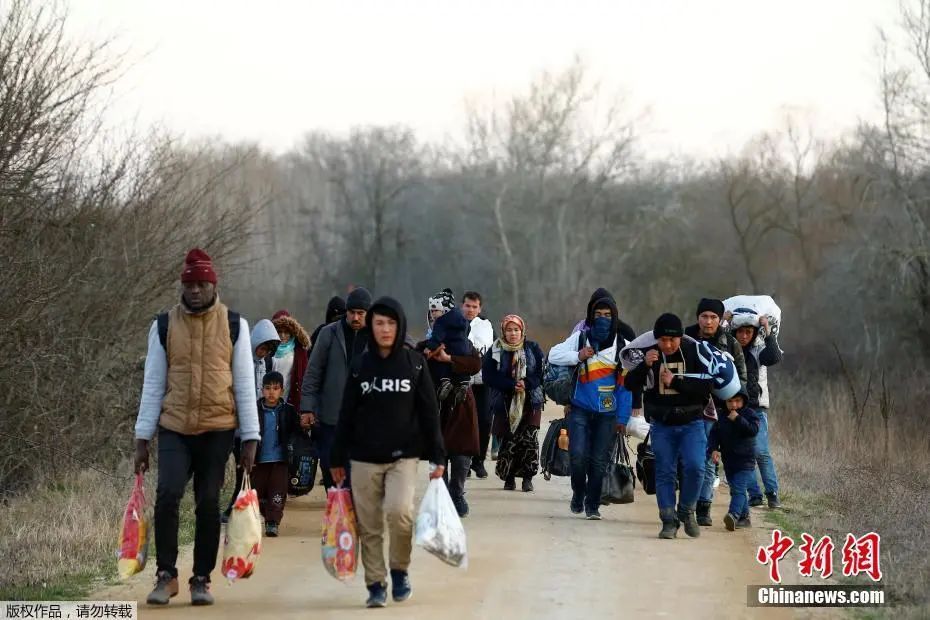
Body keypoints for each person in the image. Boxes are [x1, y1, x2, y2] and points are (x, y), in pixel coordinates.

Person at [134, 248, 259, 606]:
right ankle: (166, 575)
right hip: (175, 427)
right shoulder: (162, 326)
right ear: (182, 285)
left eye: (202, 284)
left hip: (218, 428)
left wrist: (250, 439)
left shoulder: (235, 325)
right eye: (189, 284)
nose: (195, 291)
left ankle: (201, 578)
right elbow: (153, 385)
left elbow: (246, 385)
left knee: (207, 502)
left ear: (213, 285)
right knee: (168, 493)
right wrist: (143, 439)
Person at [331, 297, 446, 608]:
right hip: (363, 458)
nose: (385, 329)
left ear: (400, 327)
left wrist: (438, 455)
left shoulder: (414, 364)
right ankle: (375, 584)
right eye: (379, 322)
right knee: (369, 526)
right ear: (371, 325)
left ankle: (399, 570)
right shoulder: (360, 366)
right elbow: (346, 414)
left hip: (403, 456)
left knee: (400, 513)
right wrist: (336, 458)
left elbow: (429, 413)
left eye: (391, 323)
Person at [625, 313, 714, 539]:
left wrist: (675, 382)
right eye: (662, 340)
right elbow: (629, 383)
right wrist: (645, 366)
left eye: (672, 340)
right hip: (662, 425)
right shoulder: (649, 355)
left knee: (696, 467)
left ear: (680, 337)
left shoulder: (693, 352)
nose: (667, 345)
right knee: (664, 472)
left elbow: (706, 387)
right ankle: (668, 520)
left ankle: (687, 510)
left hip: (692, 422)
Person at [548, 293, 633, 520]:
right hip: (579, 409)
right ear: (590, 316)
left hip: (608, 414)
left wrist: (622, 419)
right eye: (598, 315)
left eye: (608, 315)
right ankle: (578, 492)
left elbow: (625, 387)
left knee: (598, 462)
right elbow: (553, 355)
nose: (603, 319)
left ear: (615, 316)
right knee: (577, 457)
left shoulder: (623, 346)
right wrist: (578, 356)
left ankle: (592, 504)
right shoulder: (580, 338)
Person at [417, 288, 481, 518]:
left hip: (461, 403)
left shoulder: (462, 343)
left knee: (461, 451)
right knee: (438, 451)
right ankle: (440, 496)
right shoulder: (425, 346)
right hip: (435, 405)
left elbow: (475, 365)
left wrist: (449, 359)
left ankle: (457, 494)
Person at [300, 287, 371, 490]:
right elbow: (313, 372)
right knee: (333, 474)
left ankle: (356, 517)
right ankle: (339, 516)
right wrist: (307, 408)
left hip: (364, 419)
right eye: (352, 312)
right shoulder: (328, 334)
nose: (355, 317)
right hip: (331, 418)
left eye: (361, 313)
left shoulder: (377, 335)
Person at [685, 298, 747, 528]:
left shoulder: (730, 343)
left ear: (720, 319)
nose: (708, 321)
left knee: (709, 458)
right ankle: (687, 504)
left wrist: (734, 406)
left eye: (713, 317)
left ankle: (703, 506)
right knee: (689, 458)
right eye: (704, 316)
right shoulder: (685, 339)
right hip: (689, 407)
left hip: (718, 412)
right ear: (697, 318)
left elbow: (741, 380)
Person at [222, 319, 279, 523]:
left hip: (252, 429)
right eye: (262, 347)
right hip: (231, 424)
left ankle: (236, 509)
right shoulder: (239, 359)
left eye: (268, 349)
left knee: (245, 470)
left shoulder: (268, 364)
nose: (263, 352)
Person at [481, 315, 544, 492]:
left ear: (522, 331)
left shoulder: (532, 348)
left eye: (516, 330)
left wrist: (527, 383)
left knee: (529, 441)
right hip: (504, 401)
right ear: (503, 331)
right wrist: (511, 385)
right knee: (508, 440)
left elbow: (540, 373)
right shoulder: (495, 350)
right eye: (509, 330)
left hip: (531, 401)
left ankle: (527, 478)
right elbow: (489, 376)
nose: (513, 333)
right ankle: (509, 477)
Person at [730, 312, 783, 509]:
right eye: (740, 332)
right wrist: (725, 321)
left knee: (761, 452)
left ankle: (772, 493)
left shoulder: (759, 351)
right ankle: (754, 494)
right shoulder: (729, 350)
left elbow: (775, 356)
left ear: (754, 333)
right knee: (743, 454)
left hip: (756, 407)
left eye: (748, 332)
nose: (744, 336)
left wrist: (767, 330)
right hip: (735, 407)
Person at [252, 371, 299, 537]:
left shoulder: (288, 411)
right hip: (258, 459)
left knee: (278, 492)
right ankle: (264, 515)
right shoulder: (254, 410)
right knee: (258, 493)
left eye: (276, 388)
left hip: (280, 460)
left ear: (282, 390)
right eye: (267, 388)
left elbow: (297, 433)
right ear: (262, 390)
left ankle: (273, 522)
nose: (271, 392)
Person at [707, 386, 760, 531]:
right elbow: (714, 435)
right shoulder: (721, 416)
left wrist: (738, 419)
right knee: (736, 489)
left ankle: (733, 514)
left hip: (746, 460)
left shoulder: (750, 414)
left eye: (737, 401)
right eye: (730, 401)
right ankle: (744, 518)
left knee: (738, 489)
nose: (734, 405)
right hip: (729, 461)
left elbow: (753, 430)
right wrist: (714, 449)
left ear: (743, 401)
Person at [462, 291, 495, 479]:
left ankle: (479, 461)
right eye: (468, 306)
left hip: (484, 383)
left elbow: (495, 350)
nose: (471, 310)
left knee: (484, 421)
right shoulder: (455, 325)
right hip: (463, 382)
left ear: (480, 308)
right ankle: (463, 463)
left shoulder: (487, 326)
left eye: (475, 306)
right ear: (462, 306)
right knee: (465, 424)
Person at [271, 310, 311, 409]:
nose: (282, 336)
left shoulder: (299, 351)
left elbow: (305, 378)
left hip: (291, 400)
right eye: (279, 332)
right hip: (268, 398)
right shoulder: (268, 349)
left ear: (292, 332)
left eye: (286, 332)